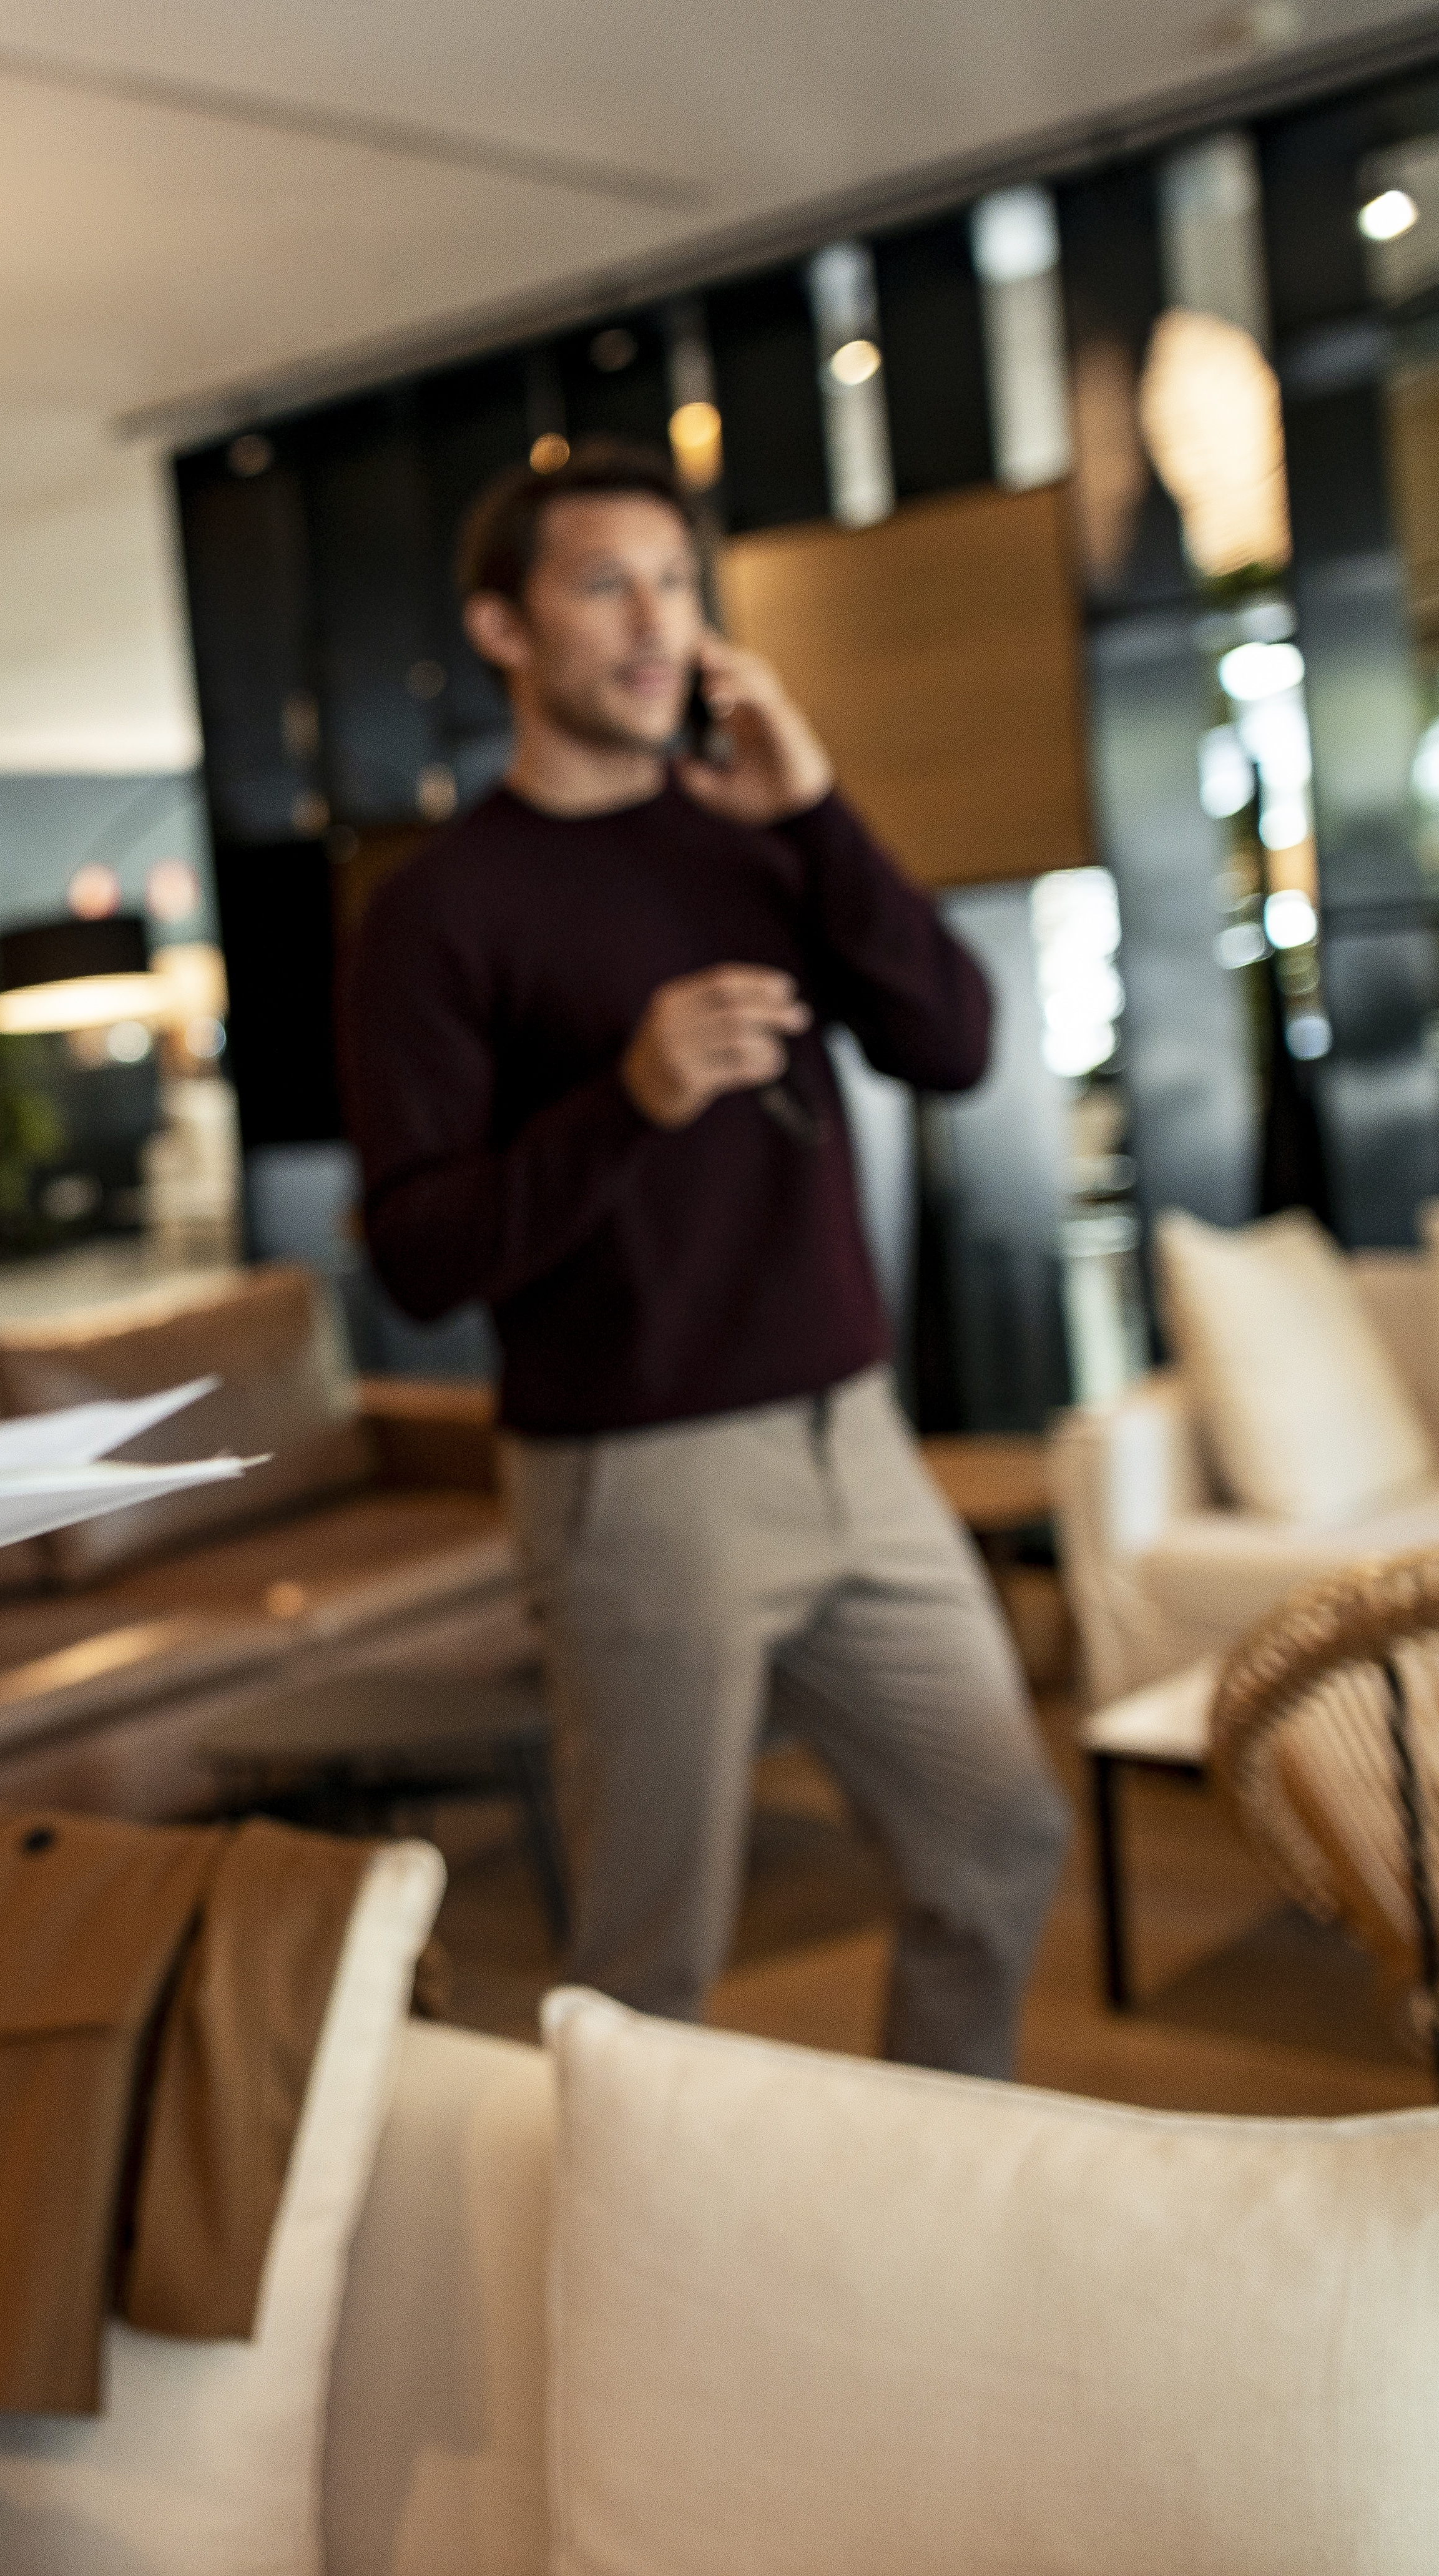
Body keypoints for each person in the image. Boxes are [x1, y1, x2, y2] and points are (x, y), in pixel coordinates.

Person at [341, 439, 1070, 2080]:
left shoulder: (757, 839)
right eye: (605, 585)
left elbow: (954, 1041)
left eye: (676, 584)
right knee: (650, 1966)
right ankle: (620, 2303)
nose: (655, 623)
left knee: (1000, 1844)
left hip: (856, 1447)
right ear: (504, 630)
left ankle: (925, 2190)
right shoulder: (440, 912)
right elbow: (420, 1255)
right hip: (637, 1488)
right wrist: (634, 1101)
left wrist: (814, 803)